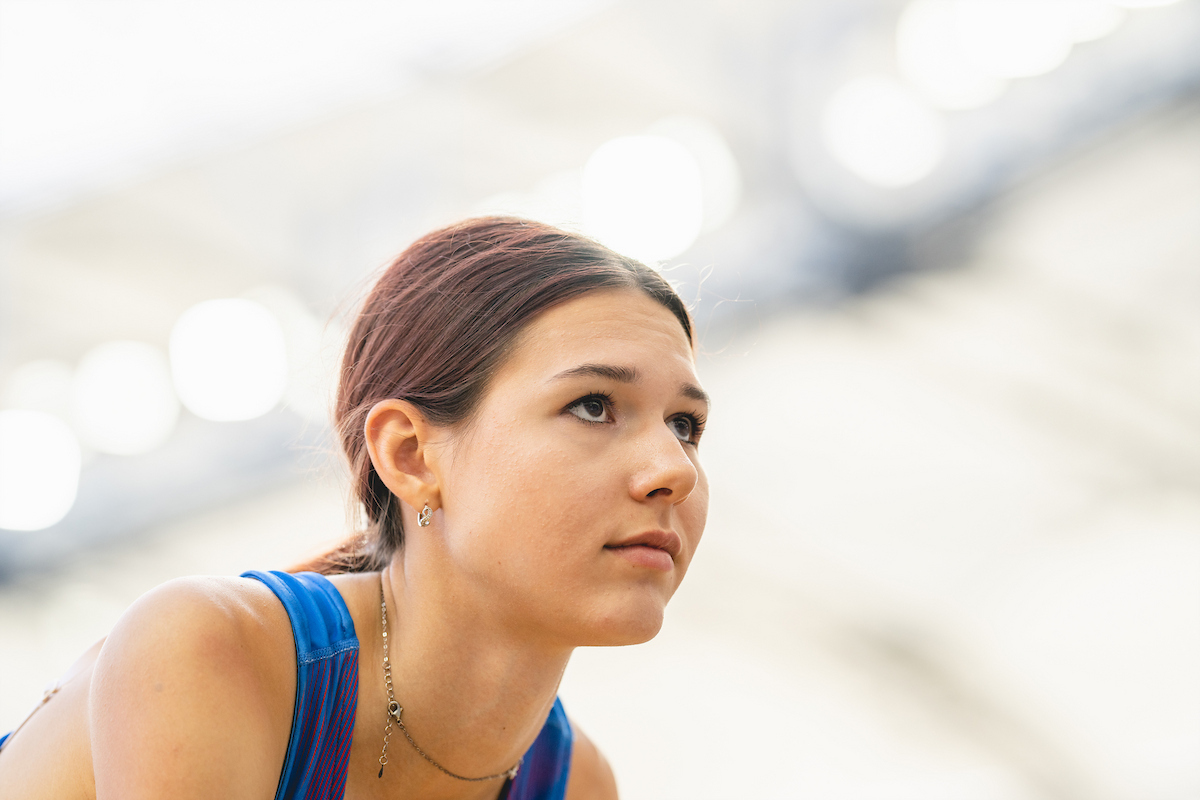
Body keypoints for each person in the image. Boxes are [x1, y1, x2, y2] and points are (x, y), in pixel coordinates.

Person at [0, 217, 710, 800]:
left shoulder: (575, 783)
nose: (673, 470)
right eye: (592, 406)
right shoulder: (207, 651)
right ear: (408, 455)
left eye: (685, 424)